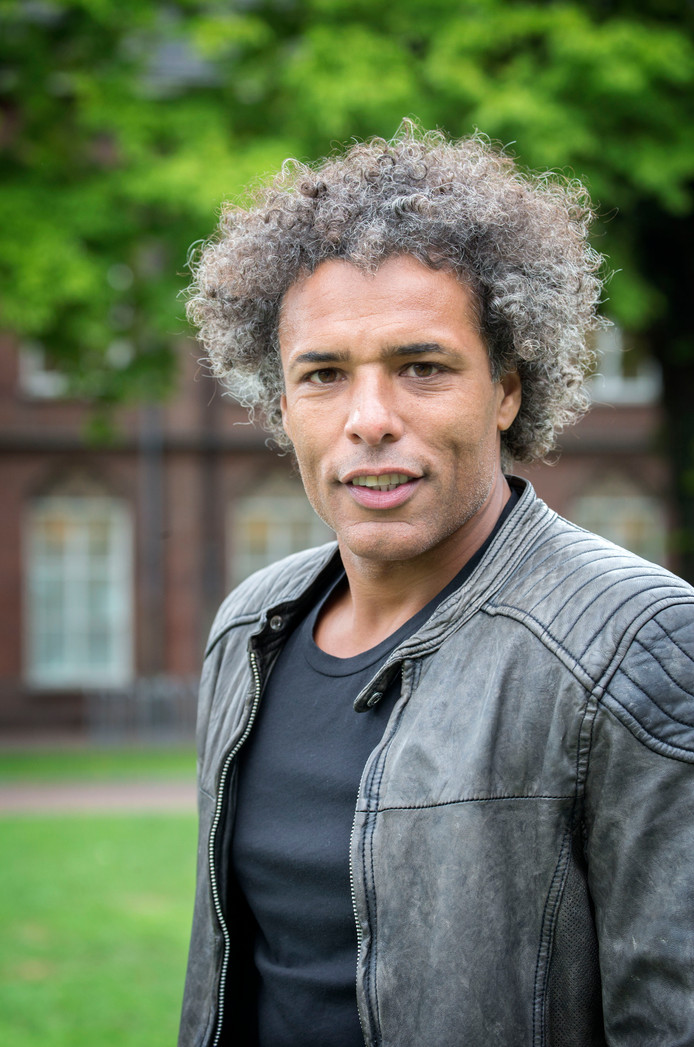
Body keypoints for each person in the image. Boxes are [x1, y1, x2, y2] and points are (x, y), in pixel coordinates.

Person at [178, 125, 694, 1047]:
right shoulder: (249, 628)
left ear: (507, 389)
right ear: (282, 406)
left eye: (422, 367)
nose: (370, 419)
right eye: (324, 375)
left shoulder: (636, 641)